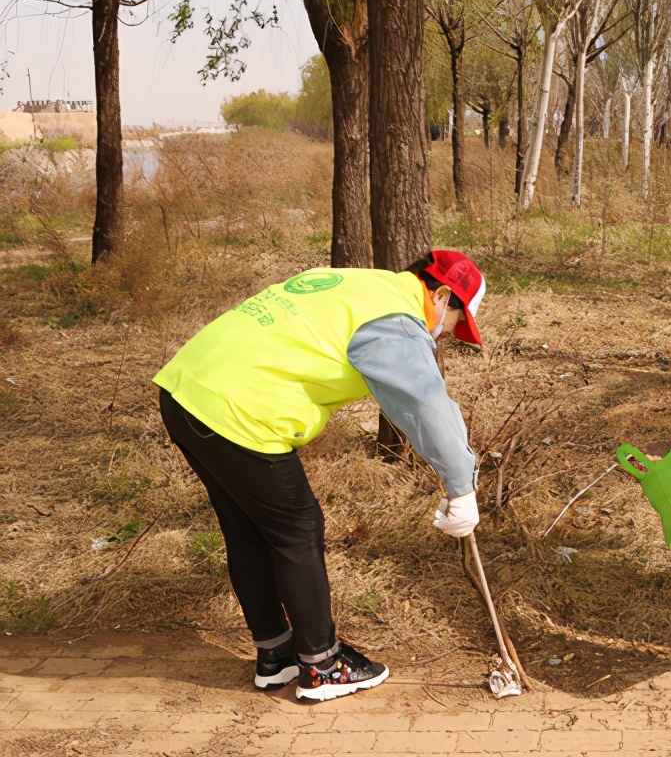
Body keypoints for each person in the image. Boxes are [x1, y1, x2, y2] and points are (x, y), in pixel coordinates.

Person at [153, 251, 486, 701]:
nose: (443, 336)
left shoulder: (360, 284)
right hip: (240, 409)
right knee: (297, 529)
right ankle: (322, 665)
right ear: (442, 294)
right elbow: (426, 405)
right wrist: (461, 487)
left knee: (247, 529)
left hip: (186, 389)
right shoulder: (397, 319)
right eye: (451, 324)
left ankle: (277, 656)